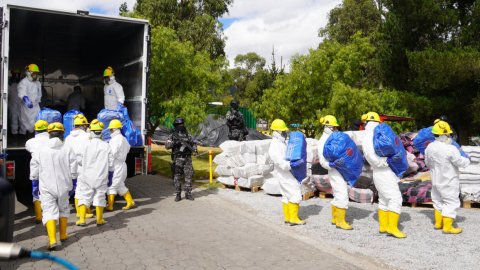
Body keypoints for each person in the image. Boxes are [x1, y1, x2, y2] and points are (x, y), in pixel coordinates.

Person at [29, 122, 77, 250]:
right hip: (64, 185)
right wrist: (73, 178)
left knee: (49, 211)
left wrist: (34, 178)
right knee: (63, 209)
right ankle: (62, 234)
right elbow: (73, 165)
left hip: (46, 185)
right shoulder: (67, 148)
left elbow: (34, 166)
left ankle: (52, 240)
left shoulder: (40, 150)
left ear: (49, 134)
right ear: (62, 134)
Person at [362, 112, 406, 238]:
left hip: (379, 171)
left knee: (384, 198)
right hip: (383, 170)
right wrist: (388, 160)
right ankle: (392, 228)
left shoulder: (370, 135)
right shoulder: (371, 137)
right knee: (395, 198)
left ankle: (384, 226)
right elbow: (372, 157)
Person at [425, 120, 470, 234]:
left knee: (437, 200)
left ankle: (438, 223)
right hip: (448, 180)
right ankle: (447, 227)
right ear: (444, 134)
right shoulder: (450, 148)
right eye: (448, 134)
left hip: (435, 180)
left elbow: (427, 163)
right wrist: (467, 160)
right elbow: (459, 162)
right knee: (451, 202)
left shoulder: (429, 147)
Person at [75, 119, 114, 227]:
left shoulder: (85, 145)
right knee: (100, 197)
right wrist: (111, 175)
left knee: (83, 197)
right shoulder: (106, 146)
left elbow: (79, 160)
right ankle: (99, 220)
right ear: (100, 133)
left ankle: (82, 219)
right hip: (101, 177)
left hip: (86, 177)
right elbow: (111, 164)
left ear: (90, 132)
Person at [318, 115, 352, 230]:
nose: (334, 130)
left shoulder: (332, 138)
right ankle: (340, 222)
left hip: (339, 169)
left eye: (335, 128)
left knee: (337, 194)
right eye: (332, 127)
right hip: (334, 170)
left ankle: (335, 218)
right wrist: (331, 165)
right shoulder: (323, 140)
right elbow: (322, 160)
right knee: (342, 194)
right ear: (326, 127)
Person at [269, 119, 305, 226]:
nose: (284, 133)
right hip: (284, 172)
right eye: (282, 131)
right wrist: (292, 165)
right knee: (295, 193)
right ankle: (293, 219)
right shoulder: (275, 144)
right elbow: (280, 162)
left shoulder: (280, 142)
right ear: (276, 132)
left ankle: (288, 217)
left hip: (285, 172)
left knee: (286, 195)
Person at [64, 115, 94, 219]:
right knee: (85, 189)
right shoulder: (86, 136)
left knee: (77, 189)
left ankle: (80, 211)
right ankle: (83, 212)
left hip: (71, 166)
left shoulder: (68, 137)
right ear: (83, 125)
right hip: (84, 165)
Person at [166, 117, 198, 202]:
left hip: (187, 158)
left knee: (188, 176)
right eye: (180, 125)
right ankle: (178, 194)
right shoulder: (172, 135)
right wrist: (175, 143)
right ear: (176, 125)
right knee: (177, 177)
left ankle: (188, 194)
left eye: (182, 124)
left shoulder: (188, 134)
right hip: (178, 158)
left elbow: (194, 142)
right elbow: (167, 146)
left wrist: (195, 150)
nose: (182, 126)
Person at [106, 119, 135, 211]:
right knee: (120, 184)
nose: (110, 131)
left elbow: (112, 154)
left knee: (112, 185)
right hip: (122, 164)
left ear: (114, 129)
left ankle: (110, 206)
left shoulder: (115, 140)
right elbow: (128, 148)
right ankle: (130, 201)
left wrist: (108, 164)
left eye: (110, 129)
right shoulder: (123, 138)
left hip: (116, 166)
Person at [26, 120, 50, 224]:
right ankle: (50, 214)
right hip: (49, 169)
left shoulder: (30, 142)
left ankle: (38, 216)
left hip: (36, 170)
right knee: (49, 192)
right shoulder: (51, 139)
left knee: (36, 193)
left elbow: (28, 149)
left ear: (36, 130)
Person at [17, 64, 42, 138]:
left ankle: (36, 138)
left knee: (38, 123)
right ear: (29, 73)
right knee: (29, 124)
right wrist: (26, 99)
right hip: (27, 107)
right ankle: (28, 137)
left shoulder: (37, 82)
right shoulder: (24, 82)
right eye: (34, 73)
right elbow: (21, 91)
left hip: (36, 106)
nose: (35, 74)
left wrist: (39, 103)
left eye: (36, 73)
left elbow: (39, 94)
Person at [8, 68, 23, 137]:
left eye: (17, 75)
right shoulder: (10, 84)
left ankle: (22, 133)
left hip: (21, 104)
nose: (16, 76)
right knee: (14, 118)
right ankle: (14, 134)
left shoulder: (22, 83)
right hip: (13, 104)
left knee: (22, 119)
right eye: (15, 75)